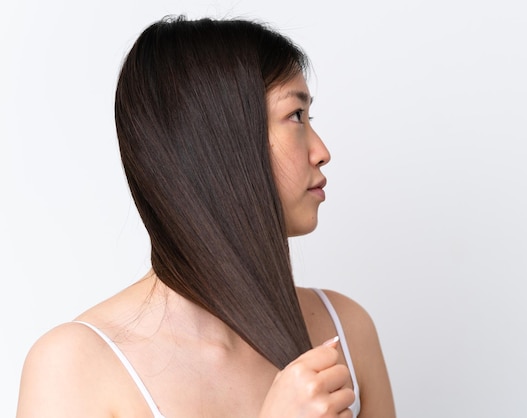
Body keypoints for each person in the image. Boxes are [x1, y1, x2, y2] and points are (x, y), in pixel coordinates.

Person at [16, 15, 395, 418]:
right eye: (296, 116)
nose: (321, 151)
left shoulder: (346, 331)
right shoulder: (74, 367)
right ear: (218, 140)